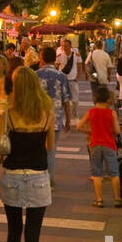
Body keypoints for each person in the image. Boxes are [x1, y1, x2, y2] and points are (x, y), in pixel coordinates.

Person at [0, 66, 54, 242]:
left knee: (13, 229)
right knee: (33, 234)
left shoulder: (10, 113)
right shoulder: (47, 111)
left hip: (13, 176)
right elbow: (49, 145)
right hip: (38, 176)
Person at [76, 86, 122, 208]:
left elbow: (78, 126)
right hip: (109, 144)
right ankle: (118, 199)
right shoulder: (112, 113)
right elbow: (118, 131)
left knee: (97, 173)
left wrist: (89, 132)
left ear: (96, 98)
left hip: (95, 145)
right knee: (114, 172)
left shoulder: (91, 112)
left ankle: (99, 200)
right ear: (108, 98)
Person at [36, 46, 71, 175]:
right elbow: (66, 102)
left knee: (38, 148)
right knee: (51, 149)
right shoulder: (62, 77)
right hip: (55, 120)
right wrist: (68, 120)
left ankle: (38, 174)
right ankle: (49, 179)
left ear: (42, 58)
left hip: (37, 119)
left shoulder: (35, 75)